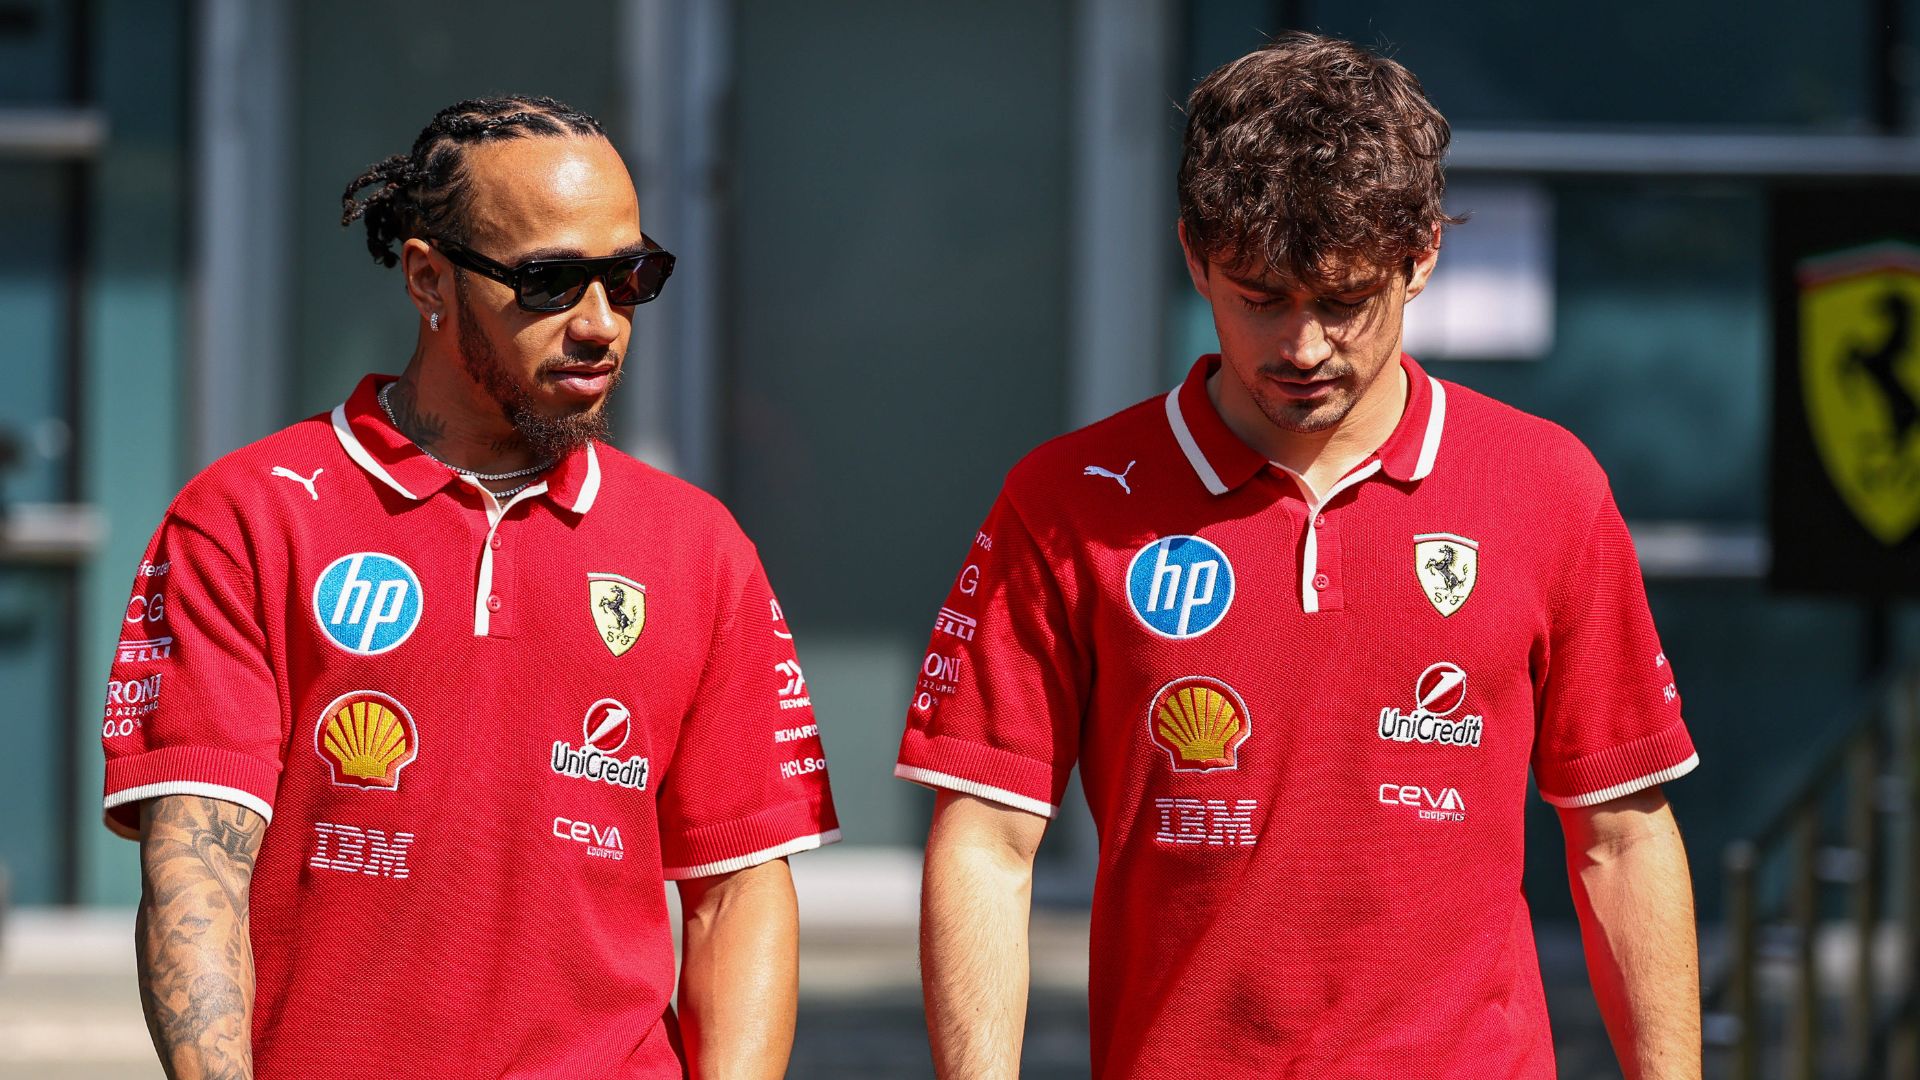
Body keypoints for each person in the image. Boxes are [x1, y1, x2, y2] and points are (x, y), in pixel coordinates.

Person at [897, 34, 1701, 1079]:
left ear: (1421, 258)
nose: (1303, 347)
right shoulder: (1069, 501)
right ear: (1194, 255)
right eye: (1260, 297)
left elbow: (1623, 837)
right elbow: (986, 844)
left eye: (1343, 300)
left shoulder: (1545, 486)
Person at [100, 95, 838, 1079]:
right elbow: (197, 873)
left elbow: (737, 892)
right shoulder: (247, 516)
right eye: (549, 282)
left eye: (630, 279)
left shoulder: (698, 546)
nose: (599, 323)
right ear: (427, 279)